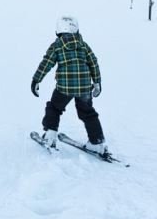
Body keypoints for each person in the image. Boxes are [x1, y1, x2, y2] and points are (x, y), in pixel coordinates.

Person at [31, 15, 107, 156]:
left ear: (58, 30)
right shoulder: (84, 45)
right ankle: (97, 142)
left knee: (54, 108)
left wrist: (36, 80)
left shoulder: (57, 45)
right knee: (88, 113)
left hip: (64, 88)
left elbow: (46, 63)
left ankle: (50, 136)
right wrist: (97, 82)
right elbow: (93, 63)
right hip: (84, 87)